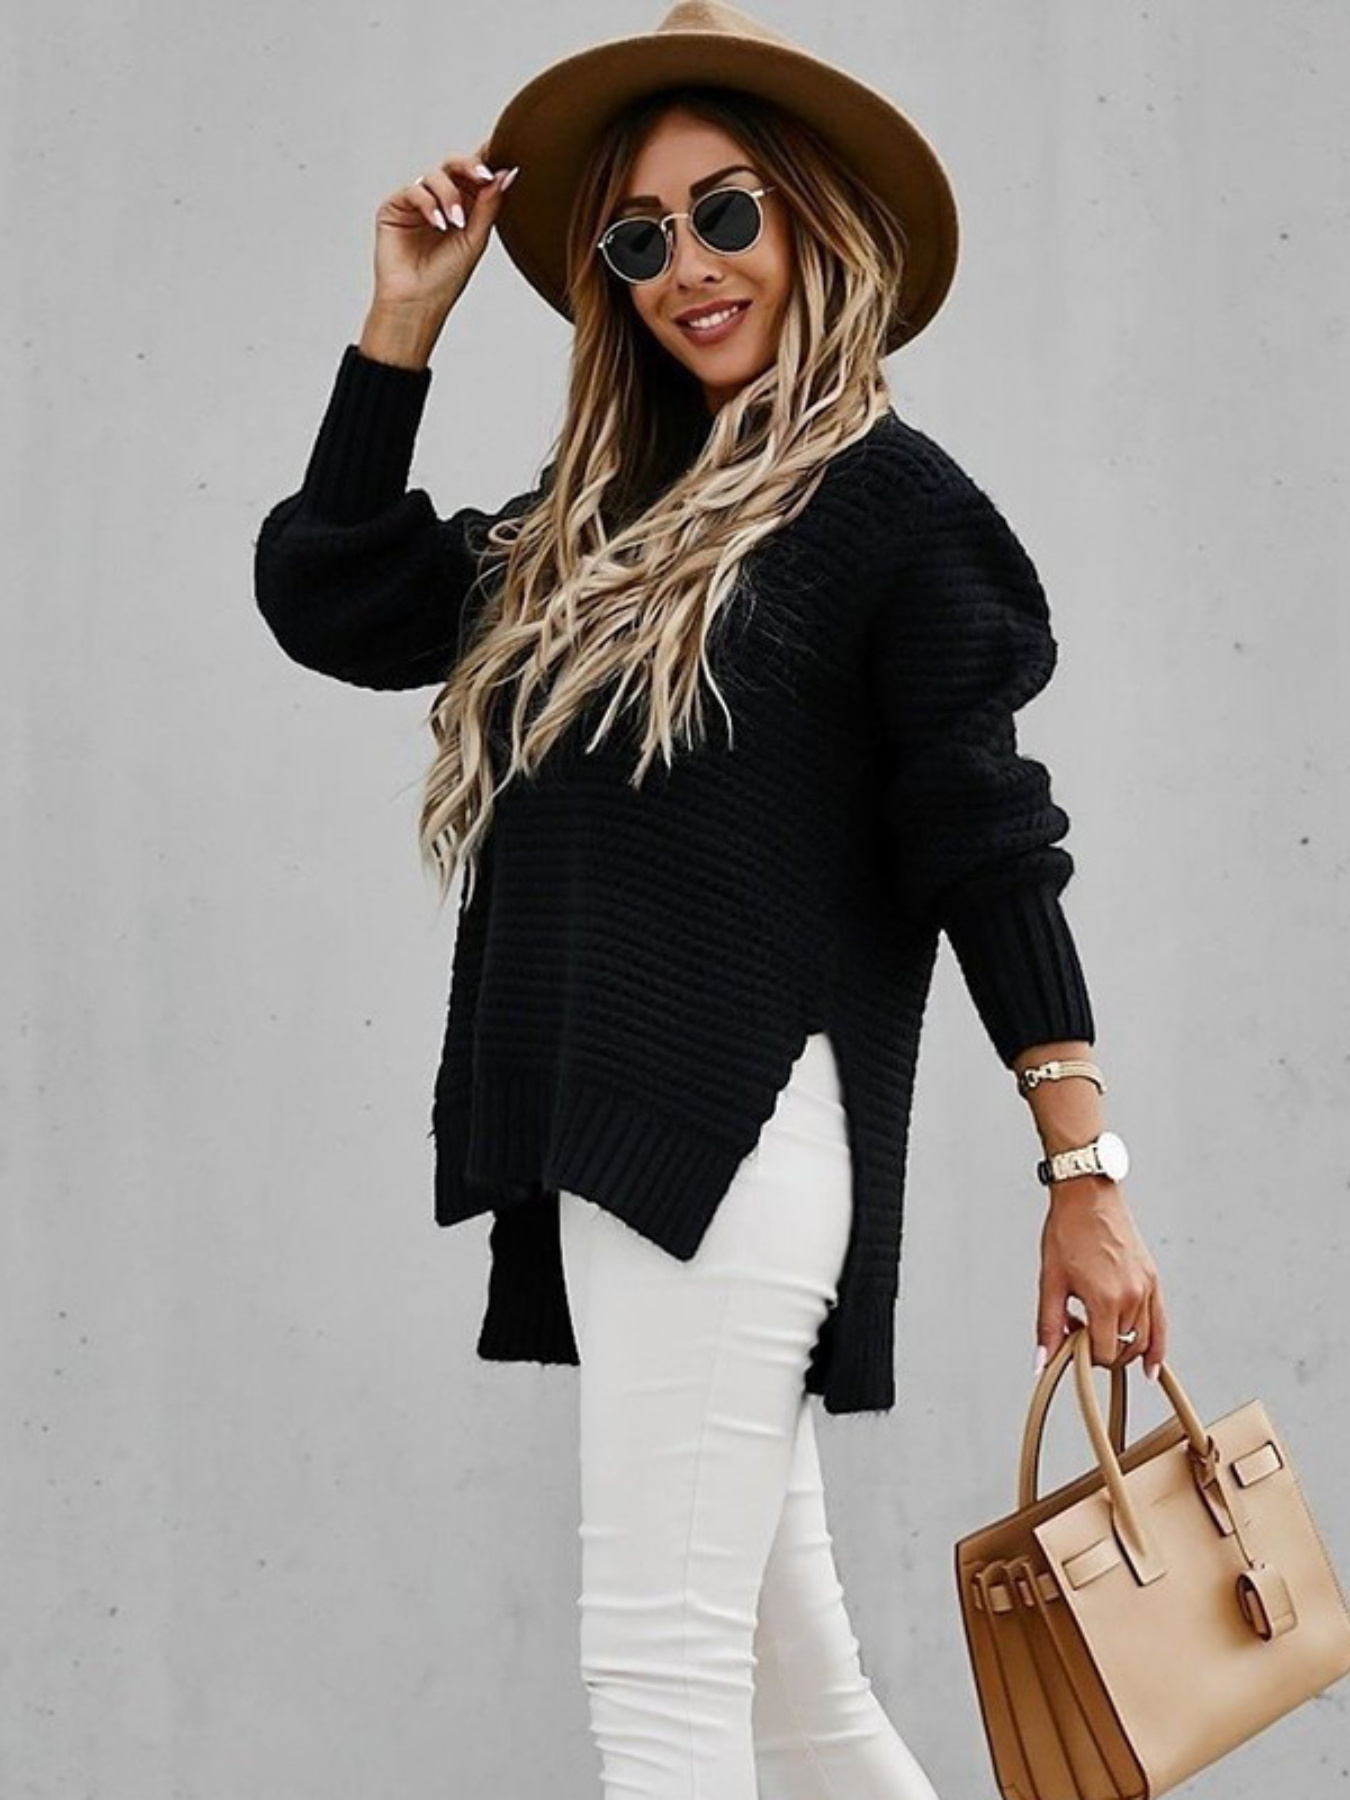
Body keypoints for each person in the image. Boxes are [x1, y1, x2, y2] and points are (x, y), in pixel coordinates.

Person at [253, 4, 1170, 1794]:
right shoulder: (593, 522)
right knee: (791, 1688)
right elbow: (334, 596)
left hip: (734, 1133)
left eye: (726, 211)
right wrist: (401, 324)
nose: (687, 265)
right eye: (637, 237)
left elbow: (984, 841)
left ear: (815, 222)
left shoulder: (894, 511)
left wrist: (1084, 1176)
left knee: (659, 1682)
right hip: (625, 1143)